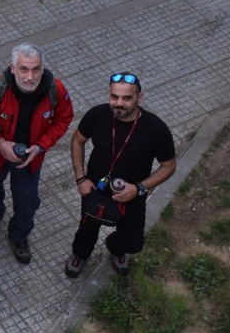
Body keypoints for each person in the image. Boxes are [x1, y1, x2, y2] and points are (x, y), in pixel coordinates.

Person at [65, 72, 176, 278]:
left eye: (127, 98)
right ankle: (80, 255)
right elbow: (77, 141)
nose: (119, 103)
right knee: (86, 230)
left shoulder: (156, 129)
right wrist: (81, 178)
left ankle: (116, 248)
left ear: (139, 98)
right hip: (95, 190)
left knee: (132, 243)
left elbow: (168, 166)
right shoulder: (97, 115)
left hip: (132, 194)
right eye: (114, 97)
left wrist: (139, 188)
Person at [0, 43, 74, 265]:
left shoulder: (56, 90)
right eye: (24, 69)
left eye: (36, 69)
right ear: (13, 68)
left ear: (43, 68)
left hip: (30, 160)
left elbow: (63, 119)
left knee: (27, 200)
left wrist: (41, 146)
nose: (30, 76)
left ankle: (19, 235)